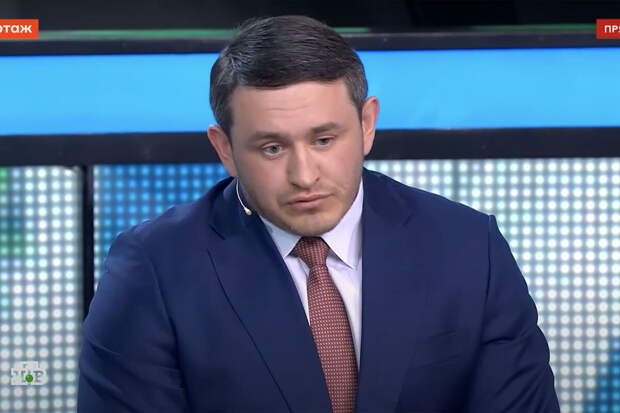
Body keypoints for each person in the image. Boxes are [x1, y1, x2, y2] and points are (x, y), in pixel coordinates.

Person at [77, 15, 560, 413]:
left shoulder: (469, 248)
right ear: (225, 149)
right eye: (271, 148)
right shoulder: (153, 270)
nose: (304, 175)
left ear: (367, 125)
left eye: (324, 140)